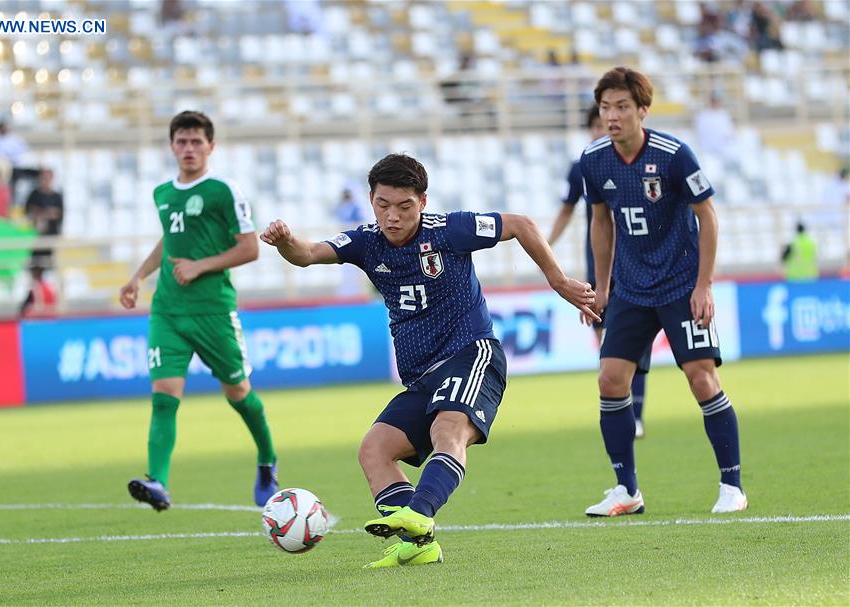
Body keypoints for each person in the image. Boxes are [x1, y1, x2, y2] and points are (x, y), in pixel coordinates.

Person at [261, 153, 598, 568]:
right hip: (422, 379)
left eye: (404, 206)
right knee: (375, 450)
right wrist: (284, 243)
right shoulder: (366, 242)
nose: (392, 216)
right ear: (371, 200)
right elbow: (309, 253)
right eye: (383, 205)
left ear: (422, 201)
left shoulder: (450, 230)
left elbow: (521, 225)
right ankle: (420, 547)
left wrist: (559, 280)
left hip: (471, 353)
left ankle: (419, 515)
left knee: (448, 427)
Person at [580, 67, 747, 517]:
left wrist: (704, 284)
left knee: (701, 377)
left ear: (642, 111)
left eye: (621, 107)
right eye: (605, 108)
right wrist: (601, 287)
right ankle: (626, 489)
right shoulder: (593, 160)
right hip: (631, 290)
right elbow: (600, 222)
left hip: (679, 286)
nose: (612, 116)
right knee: (610, 379)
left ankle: (732, 485)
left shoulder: (674, 155)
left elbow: (708, 216)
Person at [119, 111, 278, 512]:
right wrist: (138, 276)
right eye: (182, 141)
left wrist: (200, 266)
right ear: (172, 146)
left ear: (211, 146)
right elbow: (169, 242)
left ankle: (266, 460)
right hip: (168, 312)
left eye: (196, 142)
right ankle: (158, 483)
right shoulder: (162, 193)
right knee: (163, 397)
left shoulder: (224, 191)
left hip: (213, 311)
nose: (188, 149)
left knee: (238, 393)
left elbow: (250, 247)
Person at [548, 105, 652, 438]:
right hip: (600, 263)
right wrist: (546, 245)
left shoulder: (635, 162)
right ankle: (617, 408)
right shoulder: (584, 167)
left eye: (601, 125)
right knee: (605, 340)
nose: (599, 131)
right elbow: (566, 210)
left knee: (636, 340)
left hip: (637, 262)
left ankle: (636, 413)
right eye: (593, 125)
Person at [24, 168, 64, 269]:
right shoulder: (34, 194)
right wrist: (46, 213)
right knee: (35, 264)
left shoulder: (56, 196)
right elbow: (28, 212)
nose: (45, 180)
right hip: (35, 236)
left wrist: (44, 213)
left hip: (50, 236)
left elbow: (59, 215)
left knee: (49, 264)